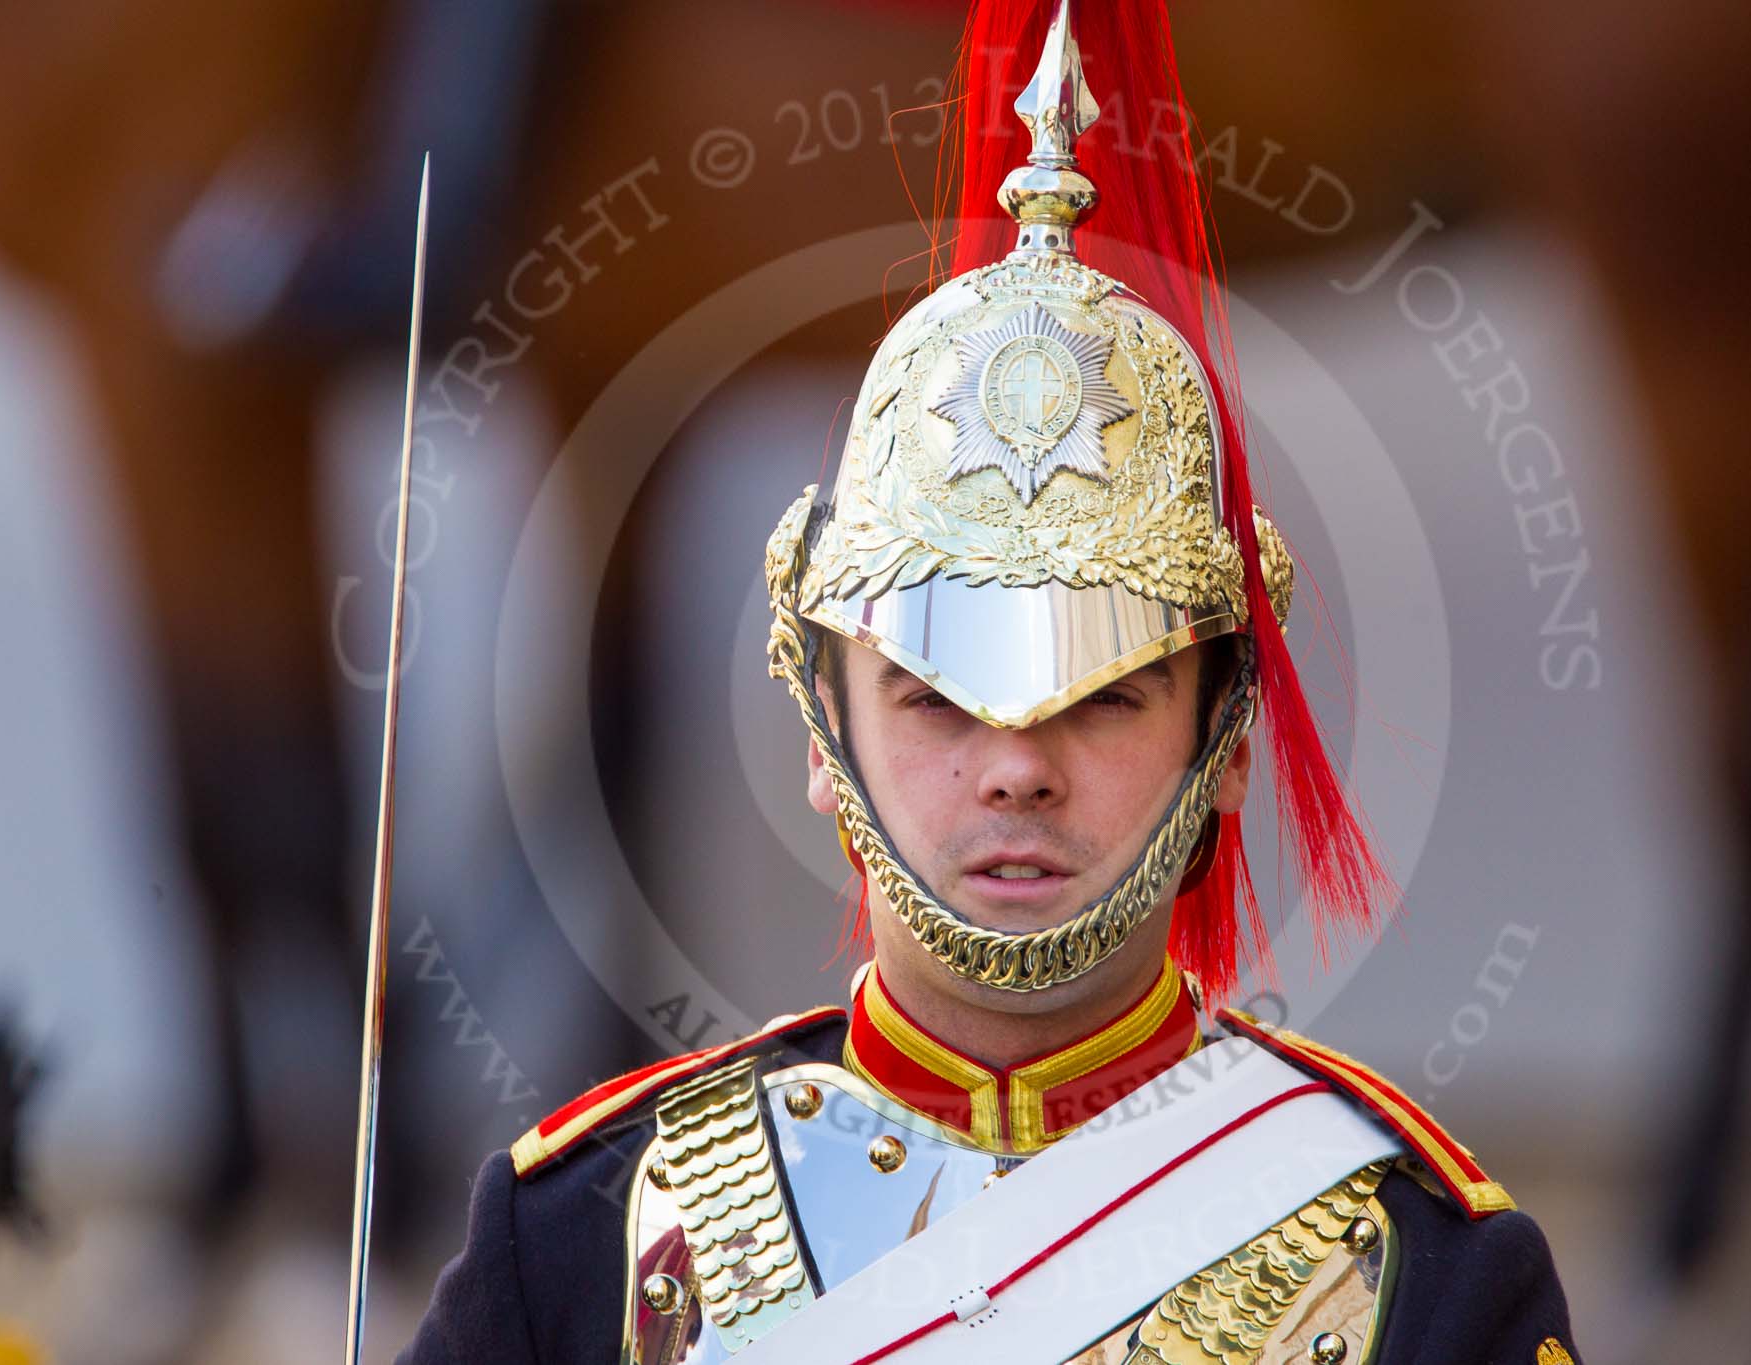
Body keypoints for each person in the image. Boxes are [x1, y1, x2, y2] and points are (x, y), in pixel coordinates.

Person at [401, 2, 1579, 1360]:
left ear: (1231, 728)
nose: (1017, 756)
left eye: (1107, 688)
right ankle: (429, 159)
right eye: (937, 694)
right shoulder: (563, 1241)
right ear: (819, 720)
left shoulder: (1432, 1276)